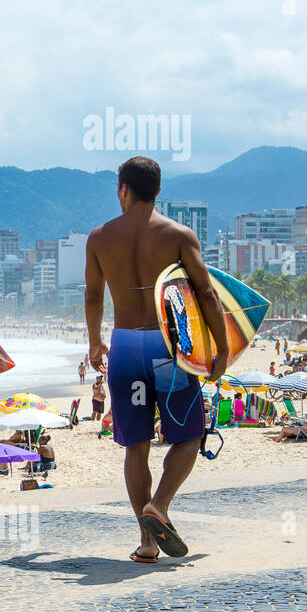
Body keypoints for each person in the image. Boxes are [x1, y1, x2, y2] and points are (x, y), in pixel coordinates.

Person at [85, 156, 229, 564]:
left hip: (126, 348)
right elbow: (206, 294)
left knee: (136, 446)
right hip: (168, 350)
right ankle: (160, 505)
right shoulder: (179, 234)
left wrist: (95, 342)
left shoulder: (99, 237)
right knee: (188, 435)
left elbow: (94, 297)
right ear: (159, 191)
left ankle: (147, 543)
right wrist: (219, 349)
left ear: (123, 190)